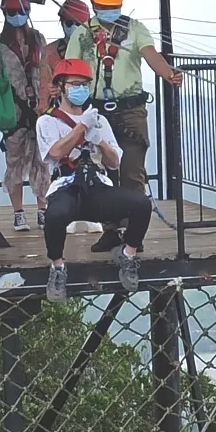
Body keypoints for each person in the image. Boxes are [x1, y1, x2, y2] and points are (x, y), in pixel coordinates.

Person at [64, 0, 182, 254]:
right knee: (103, 176)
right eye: (104, 6)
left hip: (130, 110)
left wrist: (168, 73)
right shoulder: (83, 34)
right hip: (97, 111)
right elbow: (71, 67)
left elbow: (151, 55)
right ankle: (110, 231)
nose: (109, 11)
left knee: (131, 173)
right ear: (94, 4)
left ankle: (133, 235)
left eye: (113, 6)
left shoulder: (136, 29)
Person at [38, 59, 152, 300]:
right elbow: (55, 153)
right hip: (67, 185)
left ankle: (128, 254)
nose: (80, 89)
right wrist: (80, 128)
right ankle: (57, 267)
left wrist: (99, 140)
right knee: (54, 216)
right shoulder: (47, 121)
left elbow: (114, 162)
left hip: (97, 185)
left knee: (141, 204)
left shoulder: (99, 121)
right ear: (61, 86)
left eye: (84, 85)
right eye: (74, 84)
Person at [0, 0, 49, 231]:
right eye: (13, 11)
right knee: (14, 161)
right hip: (15, 111)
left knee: (42, 161)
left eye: (22, 11)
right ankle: (18, 213)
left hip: (40, 108)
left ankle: (42, 209)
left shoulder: (37, 39)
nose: (18, 15)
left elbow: (45, 71)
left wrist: (45, 101)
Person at [39, 0, 92, 109]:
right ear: (62, 23)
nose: (74, 27)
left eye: (78, 24)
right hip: (62, 107)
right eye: (69, 23)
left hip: (91, 104)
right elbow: (44, 87)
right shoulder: (50, 51)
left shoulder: (94, 49)